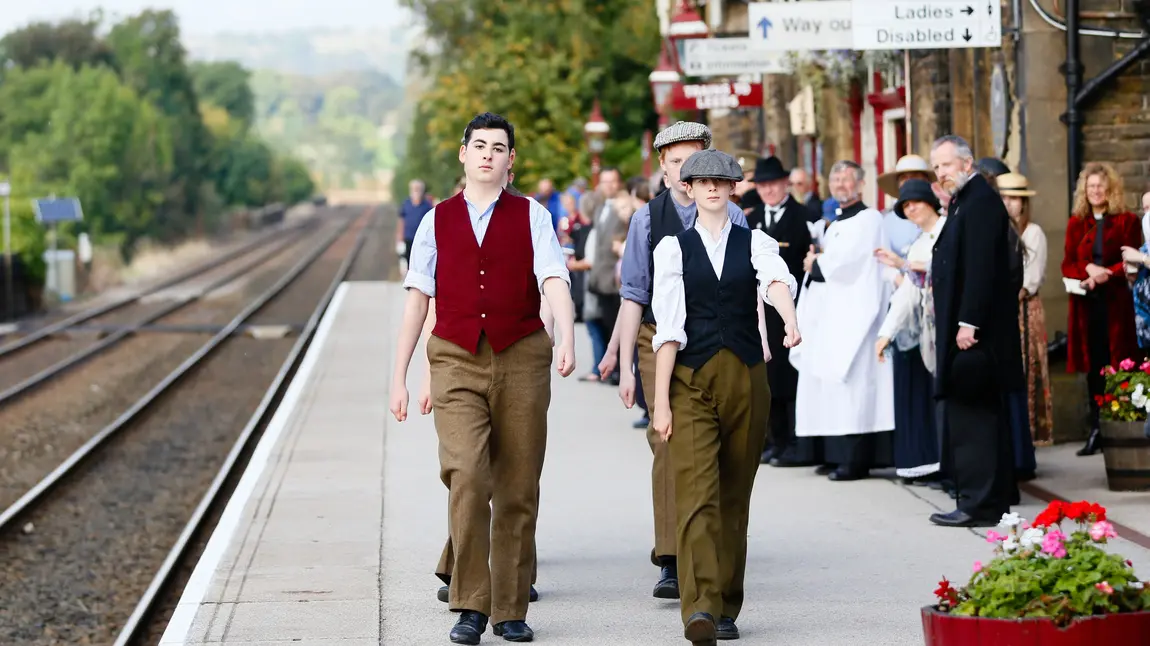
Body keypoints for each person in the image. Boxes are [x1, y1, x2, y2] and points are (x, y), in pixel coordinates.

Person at [389, 112, 576, 644]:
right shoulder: (435, 220)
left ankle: (510, 607)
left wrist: (564, 334)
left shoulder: (533, 215)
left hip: (521, 356)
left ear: (511, 160)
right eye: (480, 146)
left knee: (518, 486)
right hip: (454, 356)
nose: (489, 154)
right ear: (463, 154)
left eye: (499, 147)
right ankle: (470, 601)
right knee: (467, 476)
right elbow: (416, 300)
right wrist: (400, 376)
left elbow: (553, 277)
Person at [649, 149, 800, 645]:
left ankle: (728, 603)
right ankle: (701, 609)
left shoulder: (754, 242)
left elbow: (775, 280)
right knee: (696, 495)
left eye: (722, 181)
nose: (712, 188)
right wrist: (661, 401)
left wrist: (789, 319)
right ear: (687, 189)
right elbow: (668, 328)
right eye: (702, 181)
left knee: (735, 493)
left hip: (746, 375)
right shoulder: (672, 248)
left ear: (734, 189)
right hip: (690, 378)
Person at [597, 121, 750, 599]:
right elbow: (633, 295)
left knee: (721, 443)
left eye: (697, 159)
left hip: (719, 340)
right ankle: (671, 555)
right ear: (664, 168)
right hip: (657, 339)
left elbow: (752, 285)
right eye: (678, 161)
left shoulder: (737, 218)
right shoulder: (648, 219)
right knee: (667, 441)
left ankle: (713, 545)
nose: (689, 170)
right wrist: (622, 364)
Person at [927, 135, 1022, 528]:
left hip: (976, 336)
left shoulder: (980, 201)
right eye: (936, 168)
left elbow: (982, 267)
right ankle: (991, 499)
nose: (941, 173)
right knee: (979, 415)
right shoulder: (967, 200)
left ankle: (978, 504)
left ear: (966, 163)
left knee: (974, 420)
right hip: (968, 329)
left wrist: (970, 321)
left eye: (946, 165)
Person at [790, 160, 895, 481]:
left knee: (853, 388)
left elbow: (847, 263)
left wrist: (817, 262)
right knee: (826, 385)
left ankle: (855, 460)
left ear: (861, 184)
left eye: (847, 179)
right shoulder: (834, 221)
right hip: (829, 314)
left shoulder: (869, 218)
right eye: (835, 179)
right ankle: (831, 453)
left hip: (855, 316)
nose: (841, 185)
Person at [1061, 161, 1141, 457]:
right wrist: (1088, 269)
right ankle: (1096, 428)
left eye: (1100, 187)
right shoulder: (1075, 223)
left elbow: (1133, 260)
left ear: (1110, 190)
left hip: (1117, 305)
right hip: (1086, 307)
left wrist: (1107, 272)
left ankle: (1120, 426)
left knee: (1119, 364)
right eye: (1090, 186)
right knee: (1094, 367)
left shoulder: (1126, 221)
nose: (1095, 191)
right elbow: (1067, 263)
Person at [746, 156, 817, 467]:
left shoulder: (805, 216)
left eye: (773, 184)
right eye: (762, 185)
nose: (768, 190)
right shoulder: (751, 218)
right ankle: (773, 440)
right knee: (768, 374)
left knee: (792, 376)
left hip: (796, 307)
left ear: (785, 183)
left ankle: (795, 442)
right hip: (763, 310)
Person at [874, 179, 945, 482]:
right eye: (905, 205)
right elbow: (908, 294)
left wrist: (906, 264)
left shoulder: (947, 230)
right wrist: (886, 333)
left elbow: (938, 268)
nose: (911, 208)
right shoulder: (919, 240)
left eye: (916, 201)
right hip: (929, 330)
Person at [998, 173, 1054, 450]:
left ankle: (1029, 435)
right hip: (1004, 307)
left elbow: (1030, 280)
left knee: (1027, 366)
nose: (1009, 203)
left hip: (1023, 306)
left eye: (1014, 198)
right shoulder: (998, 230)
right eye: (1004, 197)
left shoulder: (1033, 233)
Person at [398, 179, 435, 274]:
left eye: (418, 188)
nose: (416, 191)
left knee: (421, 259)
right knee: (408, 257)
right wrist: (400, 236)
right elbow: (401, 220)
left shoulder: (427, 205)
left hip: (422, 238)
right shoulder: (406, 203)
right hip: (408, 237)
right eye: (414, 188)